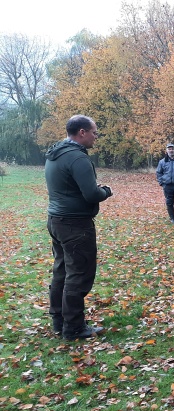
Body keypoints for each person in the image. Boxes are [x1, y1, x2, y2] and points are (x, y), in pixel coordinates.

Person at [45, 114, 113, 340]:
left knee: (62, 271)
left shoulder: (55, 154)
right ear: (82, 132)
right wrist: (106, 191)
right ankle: (73, 327)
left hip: (56, 220)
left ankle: (59, 320)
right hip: (75, 225)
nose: (96, 136)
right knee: (78, 274)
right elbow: (91, 194)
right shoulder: (77, 158)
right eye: (94, 132)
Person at [155, 142, 174, 223]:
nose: (171, 150)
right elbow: (158, 173)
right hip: (167, 185)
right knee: (169, 202)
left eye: (172, 149)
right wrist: (161, 182)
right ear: (166, 151)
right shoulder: (162, 162)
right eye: (169, 149)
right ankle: (172, 219)